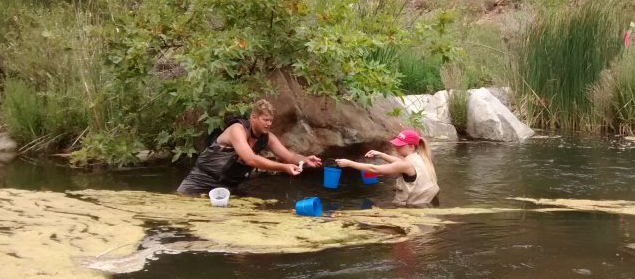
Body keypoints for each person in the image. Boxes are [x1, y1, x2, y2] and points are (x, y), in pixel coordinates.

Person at [176, 99, 322, 195]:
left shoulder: (268, 138)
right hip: (200, 180)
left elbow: (289, 156)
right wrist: (283, 167)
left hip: (229, 187)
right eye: (265, 120)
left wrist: (305, 160)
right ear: (253, 117)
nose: (269, 124)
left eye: (271, 121)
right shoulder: (237, 130)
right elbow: (250, 159)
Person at [335, 129, 439, 208]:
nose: (396, 147)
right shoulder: (421, 158)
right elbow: (400, 162)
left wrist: (349, 163)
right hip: (427, 203)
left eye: (400, 145)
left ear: (411, 147)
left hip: (413, 208)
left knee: (370, 207)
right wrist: (381, 154)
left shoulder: (406, 165)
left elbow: (374, 169)